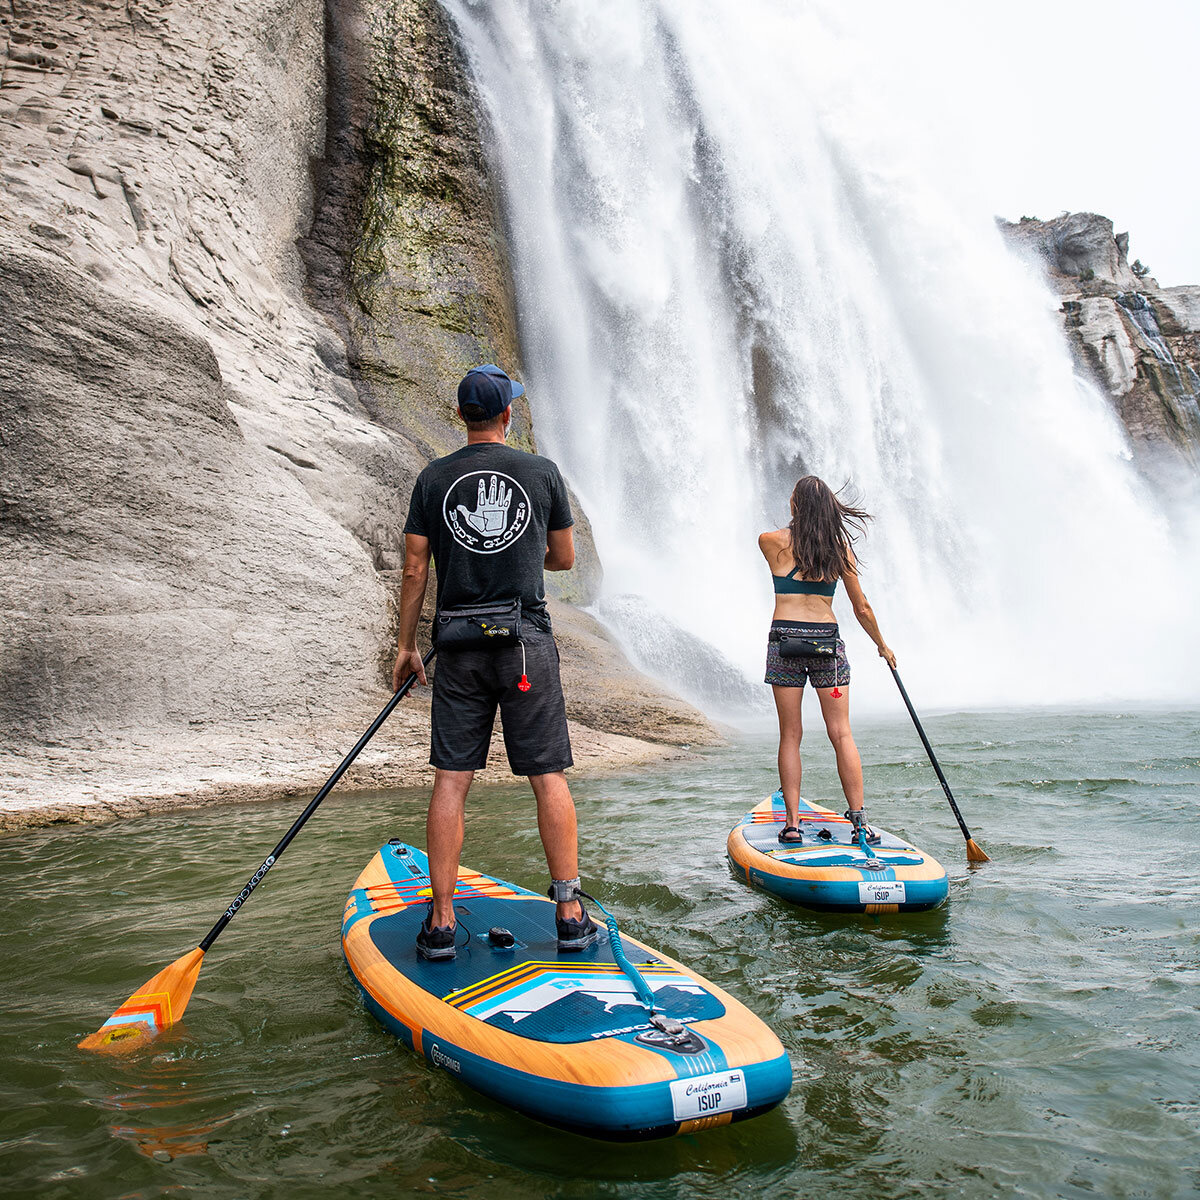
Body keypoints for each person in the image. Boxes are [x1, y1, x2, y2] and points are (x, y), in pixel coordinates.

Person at [392, 364, 598, 960]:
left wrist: (407, 648)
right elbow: (563, 558)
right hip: (524, 644)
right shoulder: (541, 472)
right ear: (508, 414)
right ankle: (568, 913)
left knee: (452, 779)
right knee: (547, 776)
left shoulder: (433, 480)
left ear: (461, 417)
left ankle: (440, 923)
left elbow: (414, 569)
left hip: (457, 648)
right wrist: (526, 553)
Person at [758, 476, 896, 846]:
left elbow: (791, 539)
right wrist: (882, 645)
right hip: (826, 647)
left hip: (785, 642)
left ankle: (791, 825)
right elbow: (861, 607)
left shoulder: (771, 543)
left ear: (797, 505)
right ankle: (860, 824)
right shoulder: (839, 551)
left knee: (790, 734)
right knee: (842, 733)